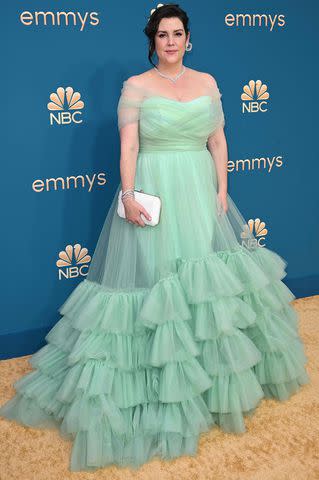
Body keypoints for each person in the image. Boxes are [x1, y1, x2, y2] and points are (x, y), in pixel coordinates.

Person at [0, 2, 310, 472]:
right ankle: (164, 386)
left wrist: (223, 188)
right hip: (155, 187)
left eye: (177, 33)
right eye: (162, 34)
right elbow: (129, 144)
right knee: (158, 280)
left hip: (200, 186)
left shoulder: (207, 82)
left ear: (188, 38)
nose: (170, 41)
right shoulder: (136, 87)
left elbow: (219, 140)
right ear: (153, 41)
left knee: (206, 283)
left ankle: (212, 381)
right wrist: (128, 194)